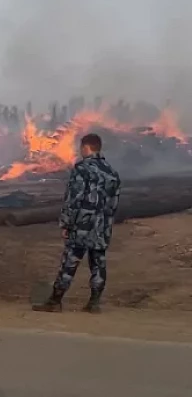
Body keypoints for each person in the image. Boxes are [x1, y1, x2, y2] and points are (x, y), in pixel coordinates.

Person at [32, 133, 121, 314]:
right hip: (102, 226)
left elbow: (74, 199)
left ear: (86, 147)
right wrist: (106, 222)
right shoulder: (112, 172)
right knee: (98, 263)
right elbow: (114, 203)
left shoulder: (82, 169)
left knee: (69, 263)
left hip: (82, 225)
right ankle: (94, 303)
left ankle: (55, 301)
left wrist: (66, 223)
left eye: (81, 148)